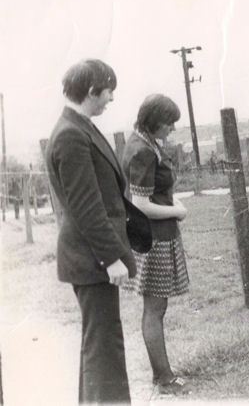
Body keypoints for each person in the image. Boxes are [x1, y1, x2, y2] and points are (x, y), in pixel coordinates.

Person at [45, 59, 136, 404]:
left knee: (98, 345)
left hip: (89, 257)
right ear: (91, 91)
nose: (111, 97)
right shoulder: (71, 135)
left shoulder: (79, 126)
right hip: (92, 259)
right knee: (104, 346)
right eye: (108, 90)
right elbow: (86, 206)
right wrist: (110, 258)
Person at [120, 94, 190, 394]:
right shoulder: (142, 151)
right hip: (152, 240)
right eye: (169, 122)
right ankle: (164, 378)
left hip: (157, 236)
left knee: (156, 307)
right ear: (153, 120)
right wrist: (177, 210)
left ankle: (161, 374)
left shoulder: (144, 143)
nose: (172, 128)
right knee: (154, 308)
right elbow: (141, 204)